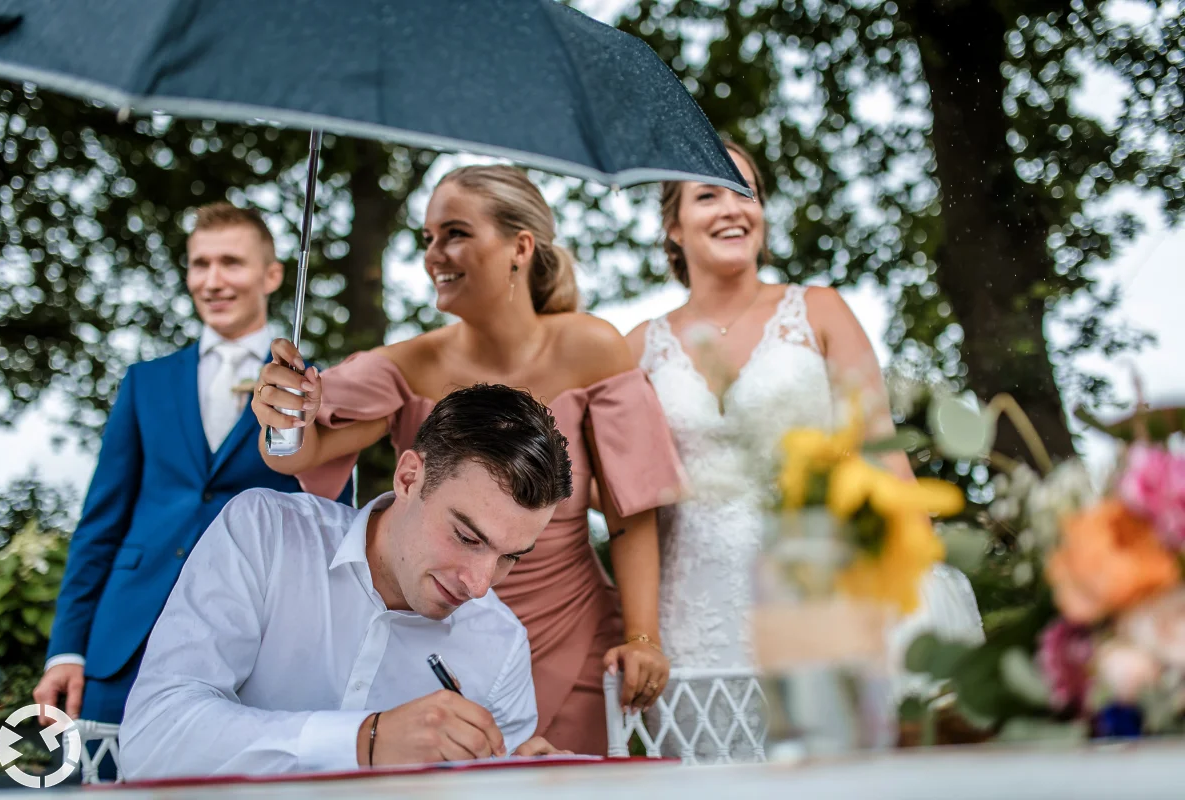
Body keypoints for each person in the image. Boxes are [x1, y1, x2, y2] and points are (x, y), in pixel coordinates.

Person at [251, 165, 684, 754]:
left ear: (520, 248)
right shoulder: (412, 364)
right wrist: (285, 411)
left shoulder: (593, 348)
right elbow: (309, 445)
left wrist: (643, 635)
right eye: (427, 238)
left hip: (576, 635)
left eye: (454, 232)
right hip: (443, 645)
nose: (434, 254)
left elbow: (630, 511)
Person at [627, 142, 984, 758]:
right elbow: (632, 500)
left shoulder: (818, 310)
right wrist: (644, 633)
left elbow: (880, 446)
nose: (733, 208)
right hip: (696, 617)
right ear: (672, 226)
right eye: (708, 193)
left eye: (747, 192)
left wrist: (910, 574)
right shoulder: (639, 346)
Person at [119, 385, 572, 778]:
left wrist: (515, 784)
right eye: (466, 537)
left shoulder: (502, 645)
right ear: (410, 477)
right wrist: (364, 742)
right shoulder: (266, 533)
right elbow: (152, 741)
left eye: (509, 557)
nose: (479, 585)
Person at [35, 203, 351, 735]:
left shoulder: (317, 387)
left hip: (250, 646)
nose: (213, 280)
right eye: (199, 264)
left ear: (273, 275)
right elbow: (100, 523)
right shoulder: (144, 382)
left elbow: (328, 528)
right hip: (123, 642)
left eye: (231, 262)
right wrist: (67, 648)